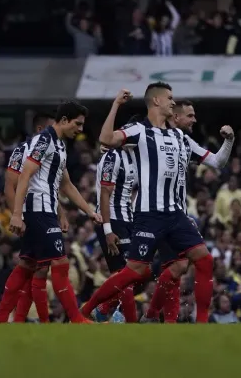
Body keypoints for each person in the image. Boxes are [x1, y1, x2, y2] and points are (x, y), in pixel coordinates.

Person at [81, 84, 215, 323]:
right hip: (147, 214)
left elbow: (212, 161)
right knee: (136, 271)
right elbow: (106, 139)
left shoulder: (177, 136)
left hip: (175, 213)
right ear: (156, 101)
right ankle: (88, 309)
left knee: (202, 259)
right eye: (170, 98)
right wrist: (116, 105)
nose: (173, 103)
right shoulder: (138, 131)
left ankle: (199, 323)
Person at [5, 101, 99, 324]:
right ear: (64, 120)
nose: (80, 129)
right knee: (58, 263)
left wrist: (88, 211)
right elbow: (21, 179)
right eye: (78, 123)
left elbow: (65, 185)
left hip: (46, 208)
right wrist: (16, 214)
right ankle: (76, 318)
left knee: (31, 265)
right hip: (37, 210)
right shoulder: (43, 141)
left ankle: (3, 319)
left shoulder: (59, 145)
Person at [142, 99, 234, 323]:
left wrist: (230, 140)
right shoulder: (151, 137)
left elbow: (217, 162)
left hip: (177, 215)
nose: (195, 120)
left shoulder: (184, 140)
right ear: (176, 117)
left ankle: (156, 316)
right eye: (190, 116)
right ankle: (107, 309)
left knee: (187, 265)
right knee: (151, 270)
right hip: (156, 213)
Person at [0, 112, 54, 323]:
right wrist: (17, 216)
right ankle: (5, 317)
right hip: (31, 214)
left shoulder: (54, 149)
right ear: (40, 129)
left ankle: (14, 319)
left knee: (32, 265)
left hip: (45, 213)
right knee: (36, 266)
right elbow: (10, 185)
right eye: (51, 127)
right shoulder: (23, 150)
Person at [91, 118, 141, 323]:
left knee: (138, 272)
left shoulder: (132, 157)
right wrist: (108, 230)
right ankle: (127, 320)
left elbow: (136, 189)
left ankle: (103, 308)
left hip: (127, 219)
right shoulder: (112, 157)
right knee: (125, 275)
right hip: (112, 220)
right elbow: (105, 194)